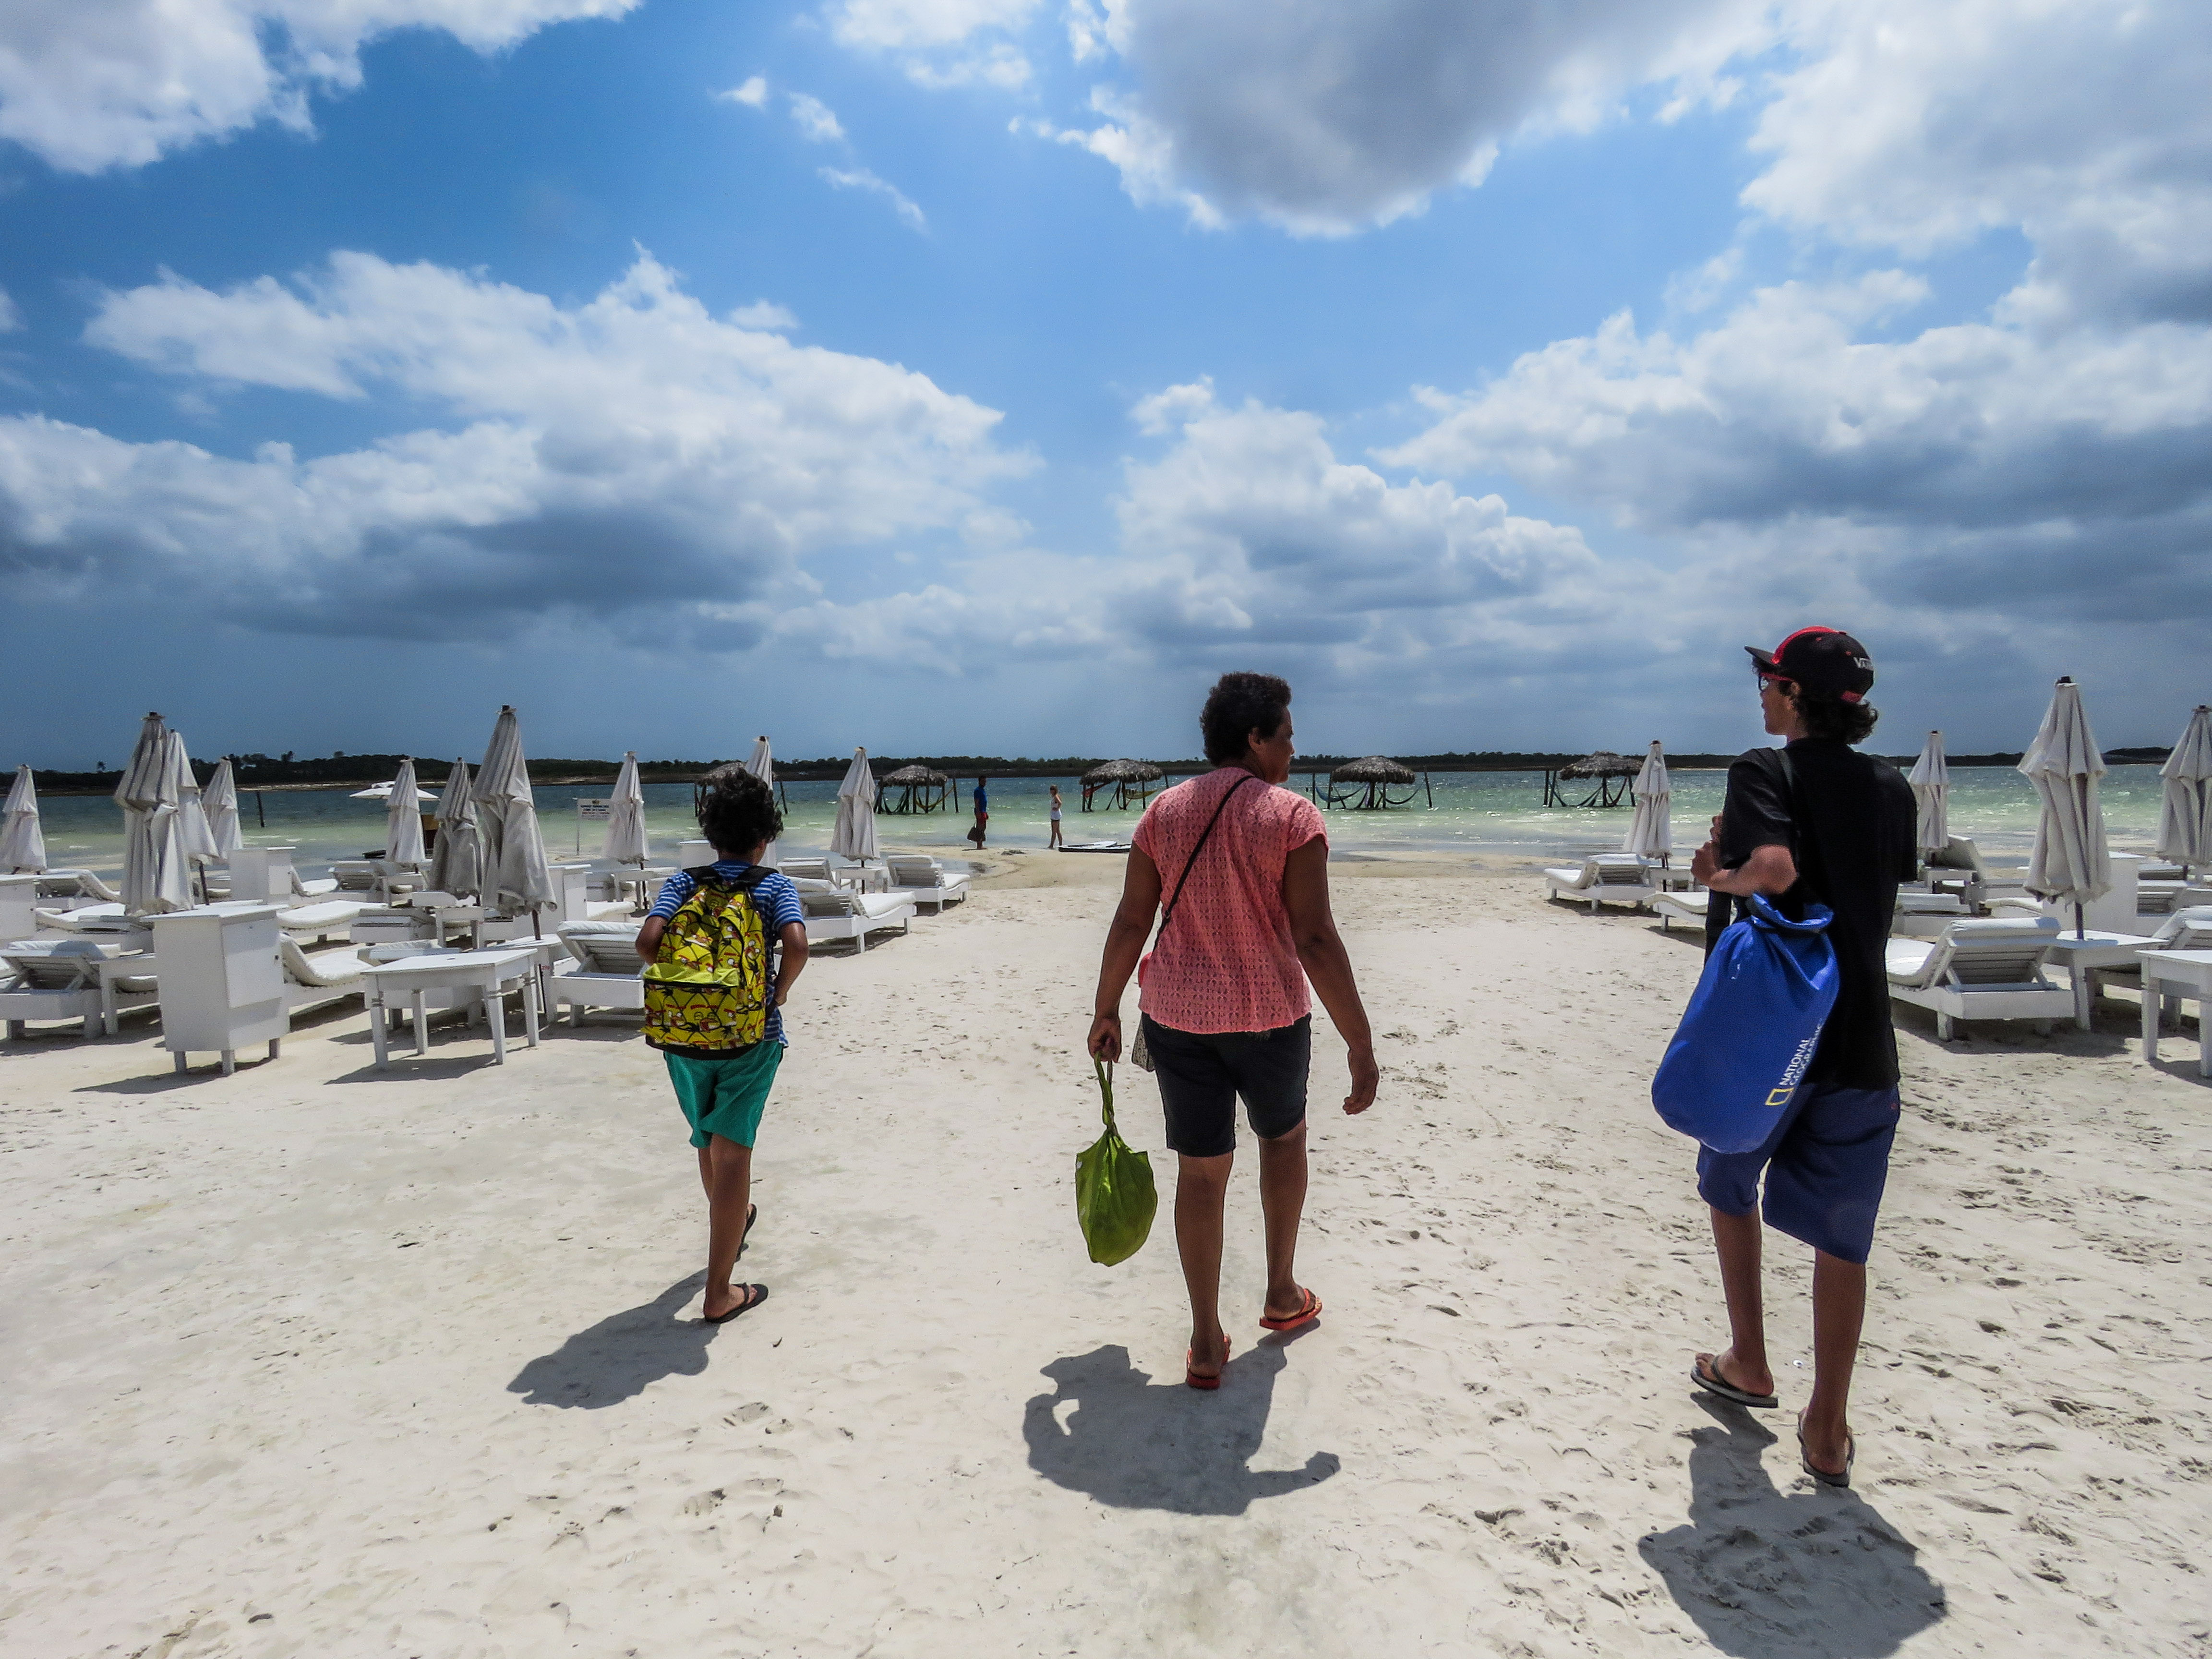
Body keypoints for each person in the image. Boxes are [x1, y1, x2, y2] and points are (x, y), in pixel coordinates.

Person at [1087, 672, 1379, 1390]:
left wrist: (1106, 1007)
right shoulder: (1293, 817)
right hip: (1269, 1017)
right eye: (1286, 736)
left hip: (1179, 1018)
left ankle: (1204, 1340)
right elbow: (1315, 937)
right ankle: (1280, 1294)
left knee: (1201, 1172)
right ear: (1255, 738)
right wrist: (1360, 1041)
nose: (1293, 749)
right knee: (1283, 1141)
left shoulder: (1162, 812)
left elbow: (1132, 919)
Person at [1686, 627, 1915, 1488]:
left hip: (1772, 1037)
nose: (1760, 694)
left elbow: (1779, 871)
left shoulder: (1764, 769)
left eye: (1769, 682)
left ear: (1793, 696)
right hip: (1864, 1041)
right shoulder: (1892, 786)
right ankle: (1827, 1427)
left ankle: (1748, 1357)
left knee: (1727, 1178)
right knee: (1842, 1237)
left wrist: (1722, 877)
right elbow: (1868, 887)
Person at [636, 765, 809, 1325]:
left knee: (708, 1142)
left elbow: (648, 942)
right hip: (752, 1037)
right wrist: (778, 993)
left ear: (711, 837)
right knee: (734, 1153)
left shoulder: (684, 882)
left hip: (683, 1038)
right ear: (765, 839)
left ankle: (732, 1219)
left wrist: (688, 987)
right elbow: (797, 946)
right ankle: (719, 1292)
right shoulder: (773, 886)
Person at [968, 774, 989, 850]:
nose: (984, 783)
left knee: (983, 827)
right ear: (979, 782)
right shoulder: (977, 790)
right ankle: (979, 845)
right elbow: (977, 802)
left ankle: (981, 844)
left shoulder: (982, 790)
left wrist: (985, 812)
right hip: (980, 811)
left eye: (985, 782)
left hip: (983, 810)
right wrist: (978, 812)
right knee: (980, 828)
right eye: (983, 782)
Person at [1048, 784, 1065, 850]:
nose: (1052, 791)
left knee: (1054, 831)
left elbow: (1060, 803)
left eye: (1053, 789)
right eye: (1051, 789)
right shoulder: (1056, 796)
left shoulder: (1056, 796)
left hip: (1055, 815)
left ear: (1056, 790)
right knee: (1057, 831)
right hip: (1056, 814)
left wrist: (1057, 808)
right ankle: (1061, 844)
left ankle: (1051, 845)